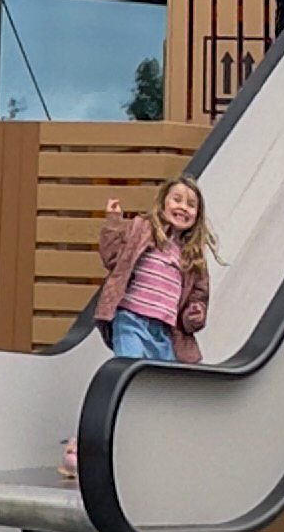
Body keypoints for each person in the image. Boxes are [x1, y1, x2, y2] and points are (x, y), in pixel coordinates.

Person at [60, 176, 214, 476]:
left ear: (198, 215)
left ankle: (148, 450)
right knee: (127, 379)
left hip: (164, 334)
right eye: (177, 199)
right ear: (163, 203)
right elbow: (112, 257)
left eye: (191, 204)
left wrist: (195, 314)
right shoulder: (142, 230)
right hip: (130, 321)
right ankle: (83, 446)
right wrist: (115, 223)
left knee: (160, 391)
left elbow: (198, 297)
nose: (183, 207)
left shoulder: (192, 256)